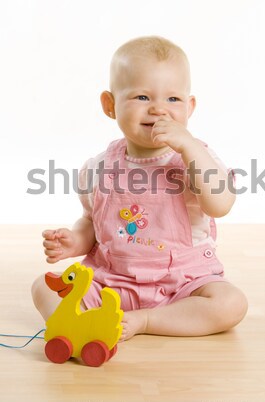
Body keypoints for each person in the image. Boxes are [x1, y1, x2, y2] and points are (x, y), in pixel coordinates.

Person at [31, 36, 248, 341]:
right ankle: (85, 326)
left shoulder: (196, 158)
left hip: (182, 285)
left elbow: (220, 204)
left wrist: (189, 147)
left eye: (173, 100)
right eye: (143, 98)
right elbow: (93, 223)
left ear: (190, 107)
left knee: (230, 304)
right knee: (44, 286)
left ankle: (147, 320)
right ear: (110, 105)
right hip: (112, 282)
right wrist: (75, 241)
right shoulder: (100, 167)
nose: (159, 110)